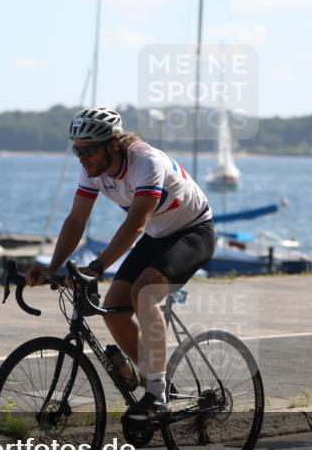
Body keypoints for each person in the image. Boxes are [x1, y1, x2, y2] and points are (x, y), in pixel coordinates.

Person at [26, 107, 215, 429]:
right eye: (76, 150)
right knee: (113, 309)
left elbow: (136, 222)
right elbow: (76, 220)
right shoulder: (93, 169)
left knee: (145, 293)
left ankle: (156, 394)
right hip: (157, 236)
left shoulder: (146, 162)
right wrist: (51, 267)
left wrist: (98, 267)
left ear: (113, 144)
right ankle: (155, 380)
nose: (82, 158)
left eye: (88, 150)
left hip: (192, 232)